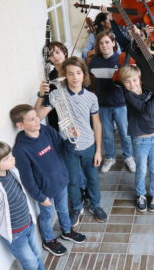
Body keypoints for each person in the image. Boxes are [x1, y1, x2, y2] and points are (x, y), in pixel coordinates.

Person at [35, 57, 107, 227]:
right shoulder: (56, 95)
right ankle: (76, 207)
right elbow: (37, 117)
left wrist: (98, 150)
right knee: (73, 181)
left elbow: (96, 124)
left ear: (84, 75)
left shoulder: (91, 97)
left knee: (93, 179)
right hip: (68, 147)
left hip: (89, 145)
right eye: (70, 74)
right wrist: (40, 96)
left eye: (78, 73)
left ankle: (95, 205)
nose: (75, 77)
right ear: (65, 76)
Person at [9, 105, 86, 257]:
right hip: (44, 191)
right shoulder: (20, 149)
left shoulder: (47, 131)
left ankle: (67, 231)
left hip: (61, 182)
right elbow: (27, 178)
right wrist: (40, 197)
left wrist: (72, 139)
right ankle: (49, 240)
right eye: (31, 119)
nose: (37, 121)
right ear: (20, 125)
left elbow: (63, 150)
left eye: (36, 117)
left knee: (63, 209)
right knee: (47, 216)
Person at [120, 65, 154, 212]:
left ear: (139, 79)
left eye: (134, 80)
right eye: (127, 81)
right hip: (140, 140)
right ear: (124, 84)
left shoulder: (147, 90)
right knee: (142, 170)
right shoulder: (129, 96)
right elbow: (148, 110)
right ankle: (141, 195)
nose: (132, 84)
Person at [88, 31, 136, 174]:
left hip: (120, 103)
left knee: (125, 133)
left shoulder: (121, 60)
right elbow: (91, 81)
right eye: (101, 43)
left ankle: (129, 156)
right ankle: (110, 157)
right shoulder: (94, 61)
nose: (104, 45)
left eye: (107, 42)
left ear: (113, 43)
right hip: (102, 104)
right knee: (107, 134)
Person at [0, 141, 45, 269]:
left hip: (28, 225)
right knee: (30, 262)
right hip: (15, 234)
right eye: (7, 158)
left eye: (11, 155)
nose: (13, 159)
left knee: (37, 255)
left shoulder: (12, 171)